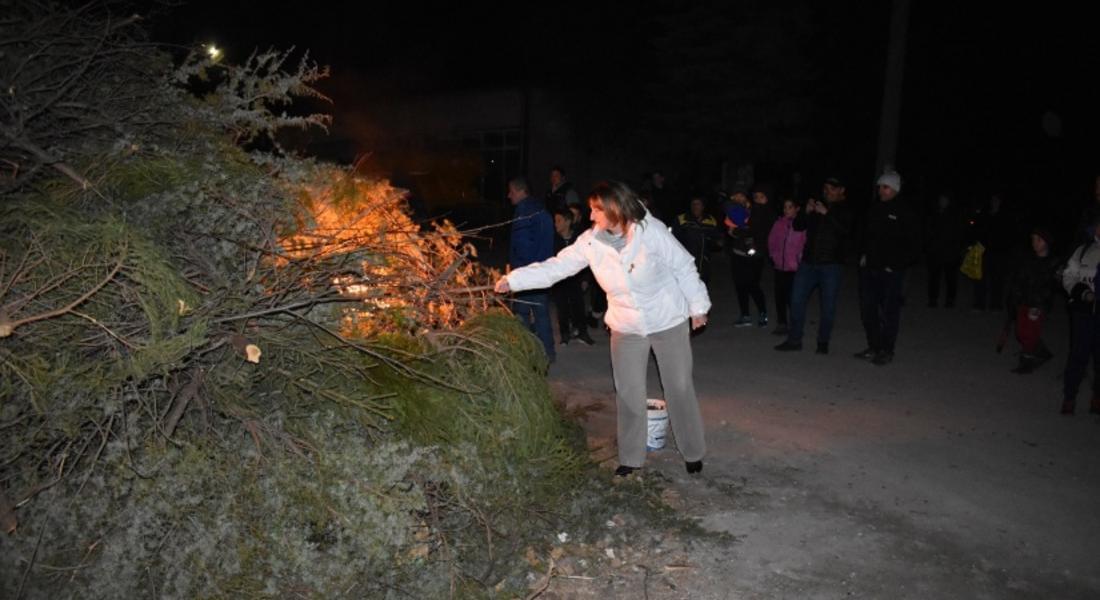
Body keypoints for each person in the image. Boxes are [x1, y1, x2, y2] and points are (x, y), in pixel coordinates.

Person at [495, 181, 711, 476]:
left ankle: (692, 451)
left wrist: (697, 308)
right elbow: (557, 267)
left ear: (615, 209)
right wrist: (515, 280)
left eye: (596, 210)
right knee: (628, 391)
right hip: (626, 324)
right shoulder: (590, 242)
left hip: (667, 318)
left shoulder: (652, 232)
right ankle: (631, 457)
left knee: (679, 386)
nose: (591, 216)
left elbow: (684, 266)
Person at [775, 176, 854, 354]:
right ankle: (794, 340)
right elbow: (798, 226)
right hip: (808, 262)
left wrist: (828, 214)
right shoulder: (817, 207)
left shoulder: (845, 210)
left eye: (832, 188)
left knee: (828, 306)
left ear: (841, 190)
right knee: (796, 300)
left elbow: (846, 232)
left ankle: (823, 342)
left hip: (831, 265)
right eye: (825, 187)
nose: (828, 191)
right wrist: (806, 212)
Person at [854, 170, 922, 366]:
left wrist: (897, 264)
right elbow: (866, 235)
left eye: (885, 187)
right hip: (870, 268)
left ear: (895, 189)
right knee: (868, 309)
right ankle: (874, 346)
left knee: (889, 312)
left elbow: (914, 244)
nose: (881, 190)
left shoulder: (905, 211)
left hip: (891, 272)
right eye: (880, 187)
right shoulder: (875, 208)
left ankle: (886, 349)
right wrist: (864, 255)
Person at [507, 176, 556, 362]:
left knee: (522, 315)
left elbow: (522, 245)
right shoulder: (541, 208)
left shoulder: (524, 212)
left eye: (511, 191)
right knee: (542, 314)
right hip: (543, 271)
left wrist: (518, 274)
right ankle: (548, 353)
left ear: (520, 191)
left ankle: (526, 354)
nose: (509, 195)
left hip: (527, 273)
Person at [1060, 216, 1100, 415]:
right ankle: (1069, 396)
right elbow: (1068, 276)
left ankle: (1097, 397)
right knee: (1078, 355)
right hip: (1083, 313)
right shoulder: (1082, 251)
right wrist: (1082, 292)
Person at [1006, 228, 1058, 374]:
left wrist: (1039, 304)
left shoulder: (1053, 262)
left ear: (1046, 243)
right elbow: (1019, 279)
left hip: (1038, 304)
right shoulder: (1028, 259)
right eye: (1033, 239)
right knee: (1020, 332)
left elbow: (1051, 287)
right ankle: (1041, 351)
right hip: (1024, 301)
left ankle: (1027, 362)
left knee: (1030, 332)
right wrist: (1014, 297)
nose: (1035, 243)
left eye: (1038, 240)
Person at [724, 186, 769, 327]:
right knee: (740, 286)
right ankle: (745, 315)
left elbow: (753, 231)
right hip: (738, 254)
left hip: (754, 256)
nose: (739, 199)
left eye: (741, 196)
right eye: (735, 196)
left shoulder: (756, 211)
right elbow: (734, 228)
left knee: (753, 285)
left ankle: (763, 313)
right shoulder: (732, 209)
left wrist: (737, 231)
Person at [551, 208, 595, 346]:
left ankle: (582, 332)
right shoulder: (553, 239)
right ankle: (565, 334)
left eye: (558, 221)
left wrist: (585, 279)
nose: (555, 224)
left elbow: (588, 259)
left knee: (578, 306)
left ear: (568, 222)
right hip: (560, 280)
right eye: (555, 221)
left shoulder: (578, 238)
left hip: (576, 279)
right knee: (562, 308)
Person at [768, 197, 807, 336]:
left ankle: (795, 325)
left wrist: (800, 260)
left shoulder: (801, 225)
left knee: (794, 297)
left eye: (790, 207)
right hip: (780, 266)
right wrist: (773, 256)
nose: (786, 210)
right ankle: (782, 323)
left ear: (797, 208)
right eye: (785, 207)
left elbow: (804, 244)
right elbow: (772, 240)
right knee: (780, 295)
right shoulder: (779, 223)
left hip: (795, 268)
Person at [925, 192, 968, 308]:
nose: (942, 202)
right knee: (934, 277)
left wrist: (958, 248)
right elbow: (928, 231)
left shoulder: (955, 215)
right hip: (935, 251)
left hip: (950, 252)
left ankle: (950, 300)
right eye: (941, 199)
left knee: (951, 277)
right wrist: (929, 247)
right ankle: (933, 299)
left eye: (944, 199)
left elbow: (960, 232)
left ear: (948, 201)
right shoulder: (934, 213)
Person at [674, 196, 722, 283]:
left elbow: (717, 238)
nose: (695, 206)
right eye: (693, 204)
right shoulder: (681, 219)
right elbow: (674, 240)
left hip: (704, 261)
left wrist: (717, 244)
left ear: (703, 207)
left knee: (703, 286)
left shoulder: (711, 220)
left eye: (698, 204)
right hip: (686, 262)